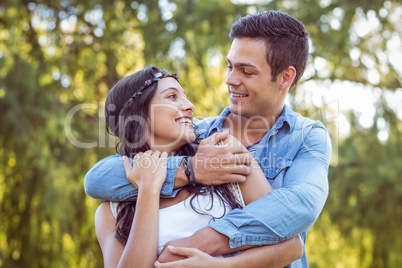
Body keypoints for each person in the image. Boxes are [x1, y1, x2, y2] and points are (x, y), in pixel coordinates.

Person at [85, 11, 331, 267]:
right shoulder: (198, 138)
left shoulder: (305, 138)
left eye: (246, 71)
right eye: (229, 66)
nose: (230, 80)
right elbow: (97, 179)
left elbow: (299, 209)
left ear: (285, 78)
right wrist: (190, 170)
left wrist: (200, 245)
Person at [94, 66, 303, 267]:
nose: (189, 105)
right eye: (172, 97)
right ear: (137, 118)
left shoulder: (225, 157)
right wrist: (148, 190)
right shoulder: (111, 211)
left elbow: (291, 245)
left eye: (184, 96)